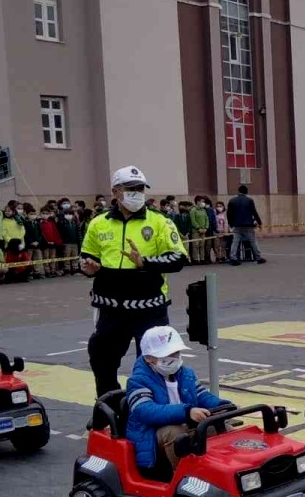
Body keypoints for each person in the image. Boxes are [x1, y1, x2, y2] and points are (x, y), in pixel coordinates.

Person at [81, 165, 189, 399]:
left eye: (140, 188)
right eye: (130, 189)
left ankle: (154, 412)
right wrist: (90, 269)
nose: (136, 193)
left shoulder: (160, 222)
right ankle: (108, 408)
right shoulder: (98, 223)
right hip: (110, 309)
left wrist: (145, 262)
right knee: (101, 360)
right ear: (115, 192)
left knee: (155, 364)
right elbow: (88, 257)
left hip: (149, 309)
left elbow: (179, 258)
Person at [125, 326, 229, 473]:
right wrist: (187, 412)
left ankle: (227, 470)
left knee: (218, 427)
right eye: (168, 355)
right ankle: (185, 476)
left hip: (187, 425)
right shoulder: (138, 381)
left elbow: (201, 395)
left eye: (176, 353)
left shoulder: (186, 374)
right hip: (152, 435)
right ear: (149, 358)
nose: (174, 358)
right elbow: (145, 411)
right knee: (175, 433)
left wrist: (221, 406)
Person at [226, 185, 265, 266]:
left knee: (235, 242)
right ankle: (258, 257)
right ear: (246, 192)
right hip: (248, 224)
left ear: (238, 191)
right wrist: (259, 223)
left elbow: (228, 214)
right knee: (253, 241)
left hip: (237, 225)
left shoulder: (232, 200)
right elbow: (254, 212)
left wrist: (230, 224)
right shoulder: (249, 200)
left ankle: (233, 258)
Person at [39, 207, 63, 277]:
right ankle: (47, 271)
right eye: (43, 213)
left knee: (53, 258)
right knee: (46, 258)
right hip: (45, 244)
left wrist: (56, 242)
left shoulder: (51, 223)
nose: (45, 215)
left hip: (53, 244)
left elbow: (55, 233)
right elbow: (41, 234)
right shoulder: (40, 223)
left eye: (47, 213)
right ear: (40, 214)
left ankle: (53, 271)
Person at [58, 205, 81, 275]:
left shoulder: (75, 223)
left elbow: (78, 232)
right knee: (66, 257)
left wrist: (79, 241)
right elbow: (61, 232)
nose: (68, 215)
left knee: (75, 256)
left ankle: (75, 268)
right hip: (66, 243)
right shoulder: (62, 223)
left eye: (70, 214)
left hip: (74, 242)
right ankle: (67, 269)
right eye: (67, 214)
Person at [188, 198, 209, 266]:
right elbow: (193, 221)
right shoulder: (193, 210)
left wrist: (206, 228)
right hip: (196, 231)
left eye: (204, 202)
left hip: (203, 231)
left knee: (202, 245)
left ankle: (202, 259)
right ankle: (195, 259)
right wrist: (198, 228)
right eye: (202, 201)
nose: (203, 203)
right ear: (197, 202)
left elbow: (207, 219)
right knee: (195, 245)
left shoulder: (204, 210)